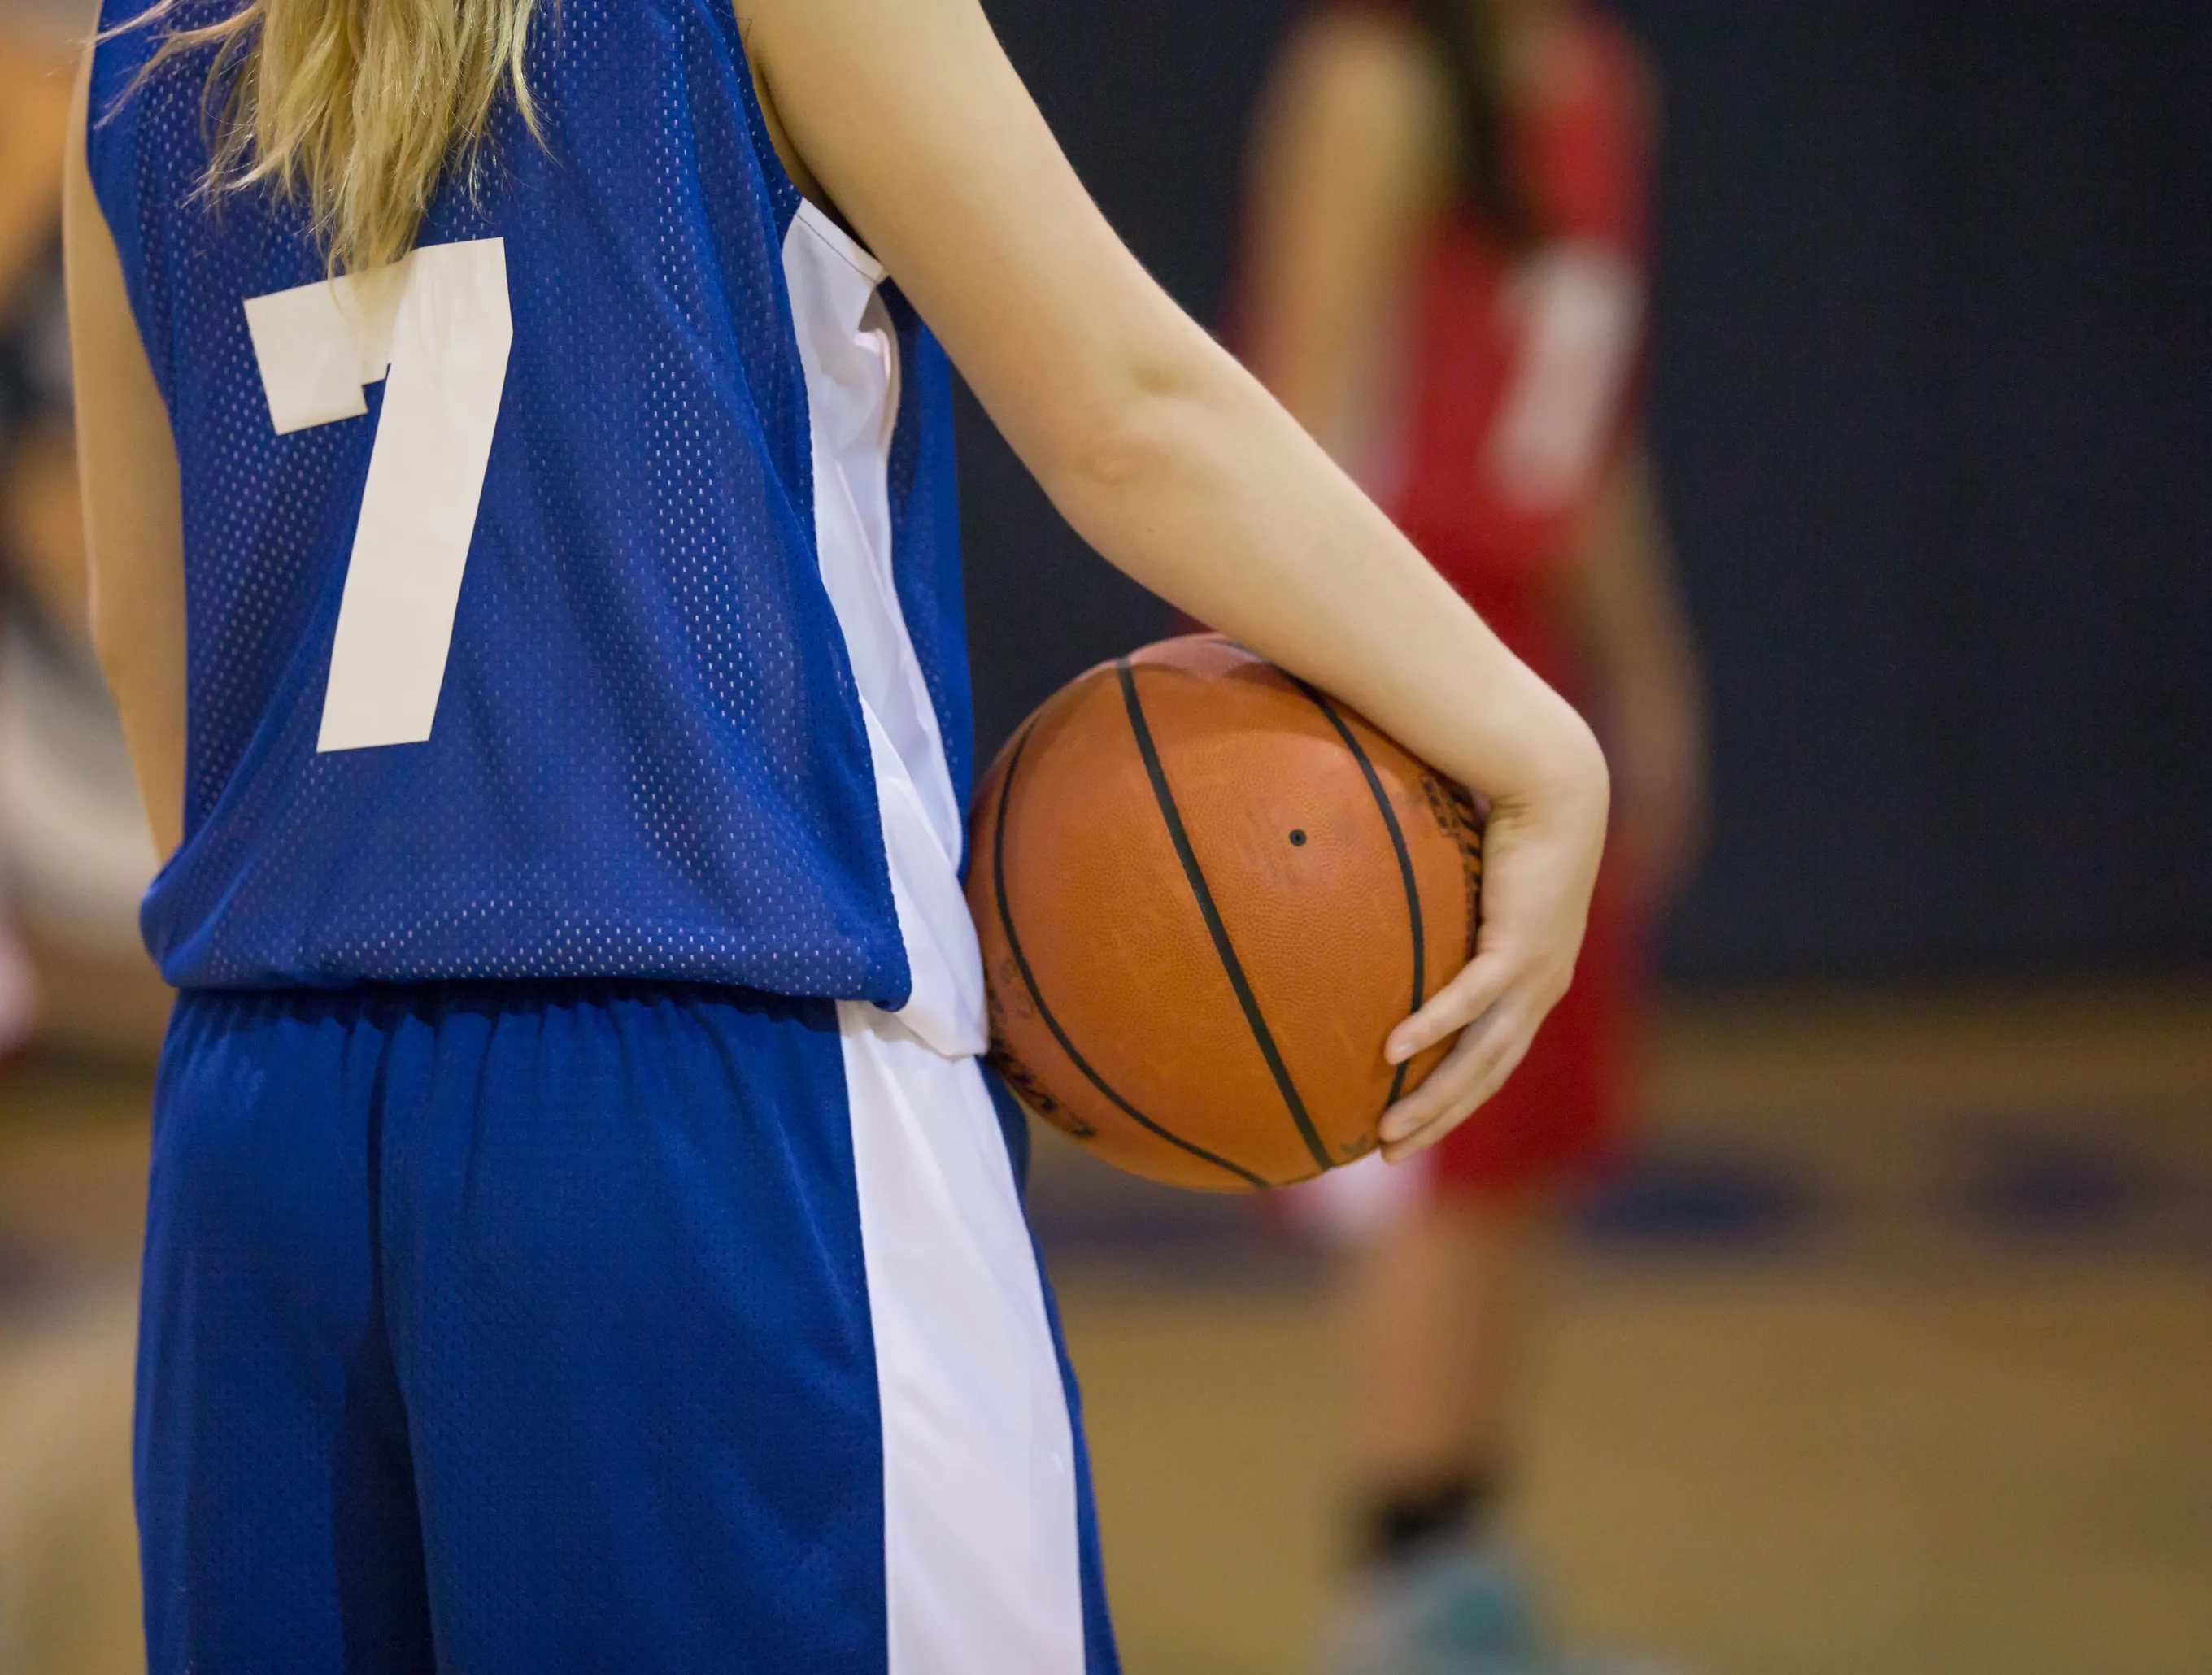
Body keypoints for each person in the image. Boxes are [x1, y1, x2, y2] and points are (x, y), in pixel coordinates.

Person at [64, 0, 1610, 1664]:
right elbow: (1128, 412)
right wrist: (1528, 746)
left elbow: (154, 638)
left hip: (263, 1132)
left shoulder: (142, 35)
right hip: (704, 1091)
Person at [1240, 1, 1706, 1669]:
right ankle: (1391, 1595)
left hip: (1537, 662)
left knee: (1529, 1141)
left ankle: (1464, 1567)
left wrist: (1644, 682)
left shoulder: (1591, 80)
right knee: (1429, 1142)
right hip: (1410, 665)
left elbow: (1585, 434)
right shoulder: (1367, 73)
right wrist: (1336, 721)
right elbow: (1291, 424)